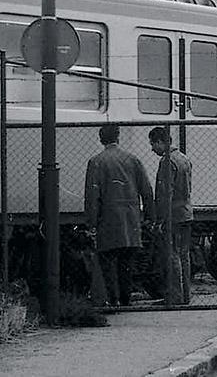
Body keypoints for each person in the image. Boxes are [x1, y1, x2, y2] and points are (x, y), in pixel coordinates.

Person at [84, 124, 153, 307]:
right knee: (126, 263)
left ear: (101, 139)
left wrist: (90, 222)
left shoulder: (96, 162)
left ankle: (112, 299)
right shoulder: (133, 160)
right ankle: (125, 299)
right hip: (131, 220)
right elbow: (146, 190)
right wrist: (149, 216)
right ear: (118, 137)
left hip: (108, 219)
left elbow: (92, 196)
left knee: (107, 262)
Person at [149, 126, 192, 305]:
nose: (152, 148)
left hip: (172, 215)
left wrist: (159, 220)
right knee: (184, 254)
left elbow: (164, 194)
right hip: (186, 213)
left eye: (153, 143)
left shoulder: (166, 162)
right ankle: (185, 295)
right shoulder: (184, 159)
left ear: (161, 142)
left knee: (172, 255)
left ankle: (174, 296)